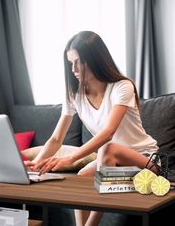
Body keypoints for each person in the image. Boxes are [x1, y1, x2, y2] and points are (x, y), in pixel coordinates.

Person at [25, 31, 159, 226]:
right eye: (70, 63)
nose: (74, 68)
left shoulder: (122, 86)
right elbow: (56, 139)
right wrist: (35, 165)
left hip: (145, 162)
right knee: (82, 177)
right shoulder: (74, 94)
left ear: (96, 59)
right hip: (113, 166)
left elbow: (108, 133)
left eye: (79, 62)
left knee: (107, 148)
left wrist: (69, 158)